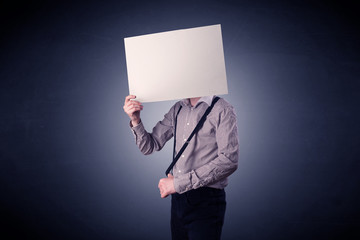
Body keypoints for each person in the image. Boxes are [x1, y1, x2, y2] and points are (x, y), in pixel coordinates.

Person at [123, 94, 239, 240]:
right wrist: (135, 120)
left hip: (206, 200)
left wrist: (178, 183)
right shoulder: (178, 108)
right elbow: (149, 146)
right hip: (179, 199)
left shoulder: (222, 108)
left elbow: (229, 160)